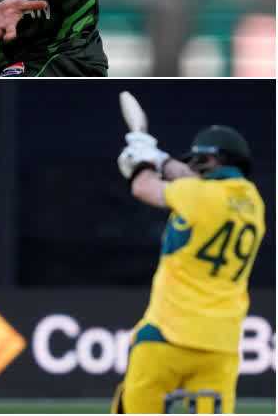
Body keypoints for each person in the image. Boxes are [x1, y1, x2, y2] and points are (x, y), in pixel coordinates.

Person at [113, 125, 266, 414]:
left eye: (199, 160)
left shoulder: (196, 196)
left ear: (214, 160)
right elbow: (193, 180)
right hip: (221, 345)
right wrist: (158, 156)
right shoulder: (253, 203)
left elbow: (143, 187)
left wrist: (143, 163)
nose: (192, 166)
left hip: (166, 336)